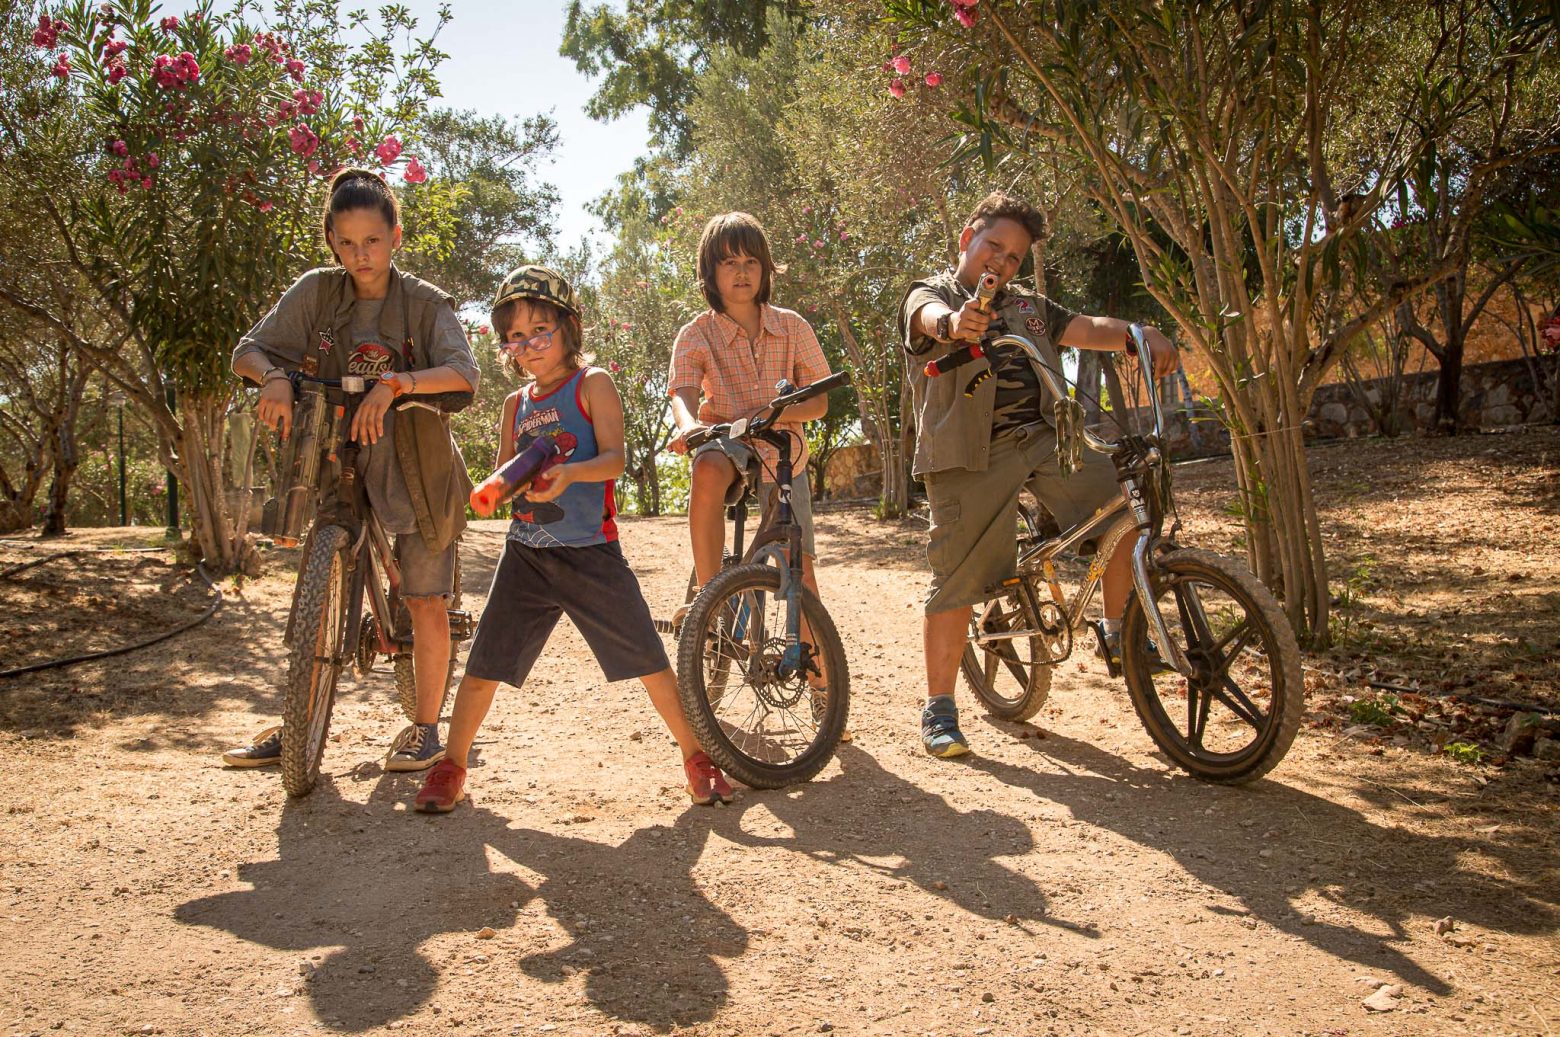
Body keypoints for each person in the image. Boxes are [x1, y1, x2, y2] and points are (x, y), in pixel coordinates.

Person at [413, 265, 735, 813]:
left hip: (591, 554)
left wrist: (567, 473)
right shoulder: (515, 406)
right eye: (515, 336)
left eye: (540, 330)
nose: (529, 345)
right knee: (483, 667)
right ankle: (452, 765)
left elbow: (615, 459)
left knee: (650, 661)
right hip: (527, 556)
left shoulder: (593, 385)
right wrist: (514, 487)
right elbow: (502, 473)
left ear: (569, 327)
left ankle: (697, 758)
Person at [899, 190, 1179, 758]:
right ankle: (940, 709)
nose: (1000, 263)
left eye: (1013, 257)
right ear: (966, 242)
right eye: (992, 247)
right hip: (967, 456)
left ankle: (1120, 632)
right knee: (954, 578)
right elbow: (924, 317)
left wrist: (1138, 333)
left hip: (1049, 442)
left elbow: (1089, 326)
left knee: (1127, 504)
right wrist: (956, 324)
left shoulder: (1029, 306)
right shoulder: (935, 295)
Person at [224, 167, 478, 773]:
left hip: (414, 463)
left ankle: (423, 728)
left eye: (372, 240)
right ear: (332, 243)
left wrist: (394, 386)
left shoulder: (424, 303)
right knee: (321, 560)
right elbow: (248, 352)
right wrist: (277, 377)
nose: (360, 255)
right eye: (347, 243)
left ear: (395, 235)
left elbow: (464, 374)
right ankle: (299, 715)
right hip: (336, 453)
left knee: (424, 599)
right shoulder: (317, 292)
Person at [665, 213, 844, 732]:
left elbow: (818, 402)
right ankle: (709, 598)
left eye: (751, 262)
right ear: (710, 272)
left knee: (801, 572)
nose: (741, 273)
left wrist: (777, 413)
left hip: (783, 448)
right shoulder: (696, 333)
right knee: (707, 470)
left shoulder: (792, 326)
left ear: (765, 270)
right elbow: (682, 392)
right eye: (729, 263)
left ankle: (821, 691)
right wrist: (693, 424)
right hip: (726, 440)